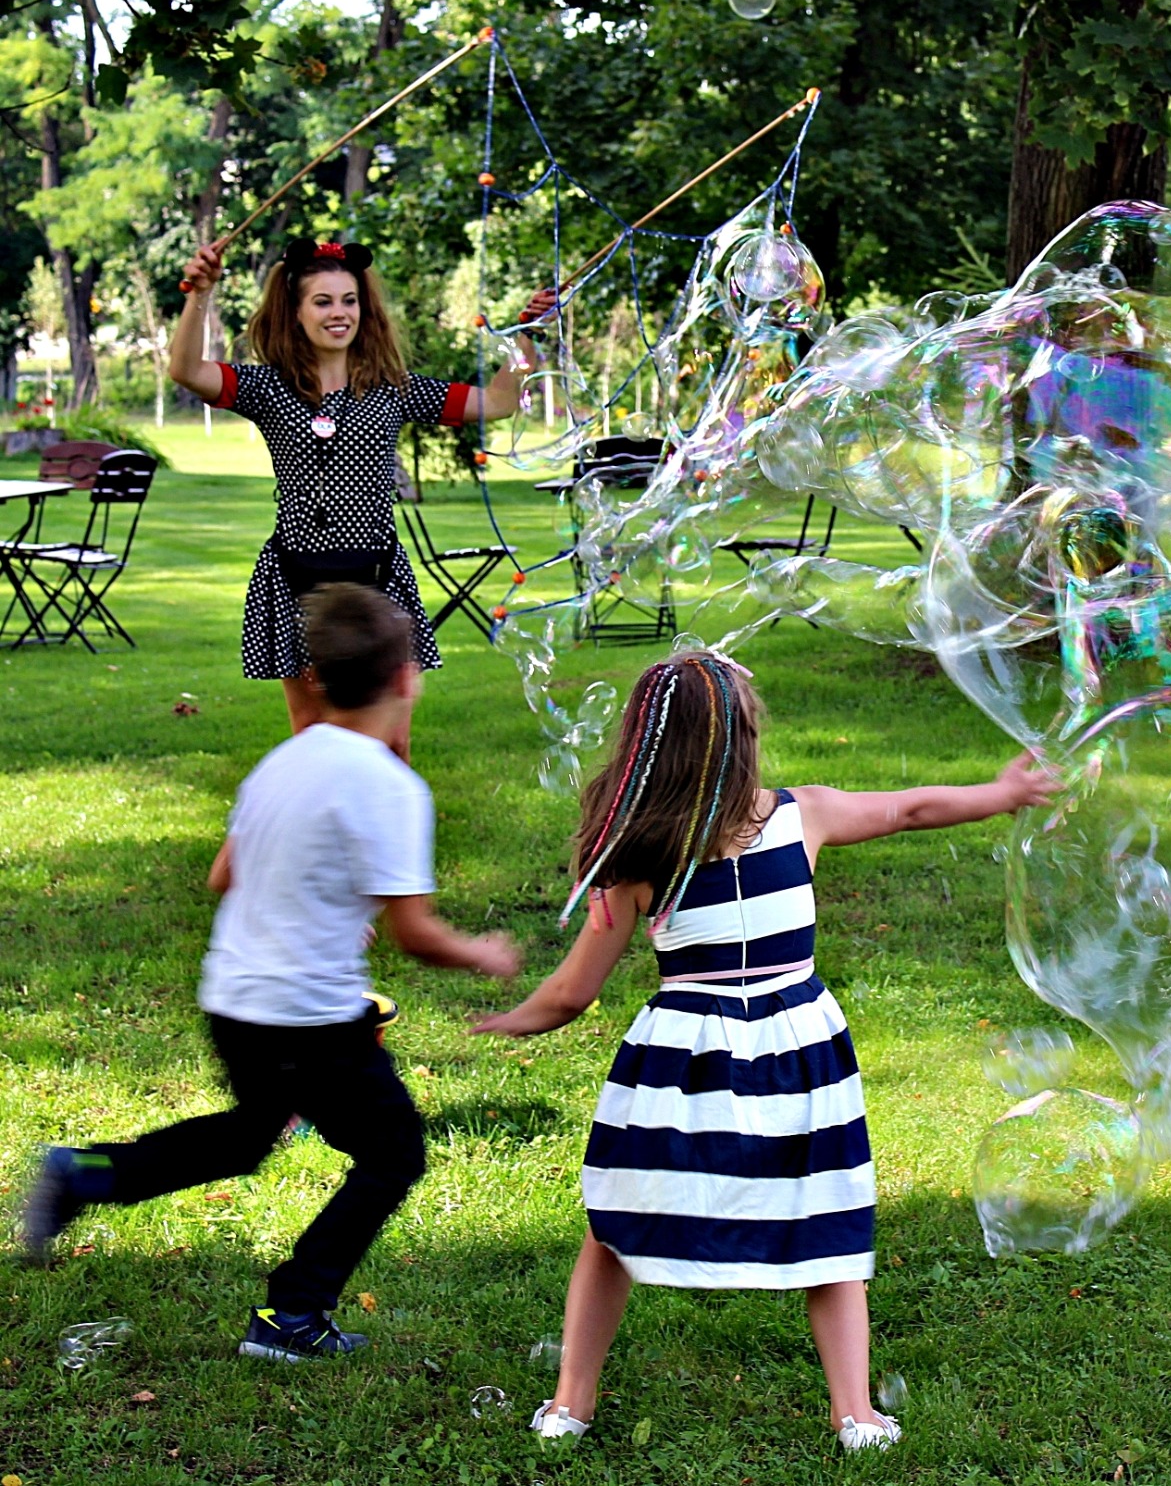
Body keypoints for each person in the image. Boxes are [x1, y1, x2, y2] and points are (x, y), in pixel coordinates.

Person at [469, 650, 1057, 1453]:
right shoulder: (803, 814)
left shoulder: (640, 860)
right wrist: (1003, 794)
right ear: (746, 741)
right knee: (829, 1228)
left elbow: (572, 993)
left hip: (684, 1066)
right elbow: (911, 809)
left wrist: (510, 1021)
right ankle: (856, 1413)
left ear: (649, 747)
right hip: (797, 1051)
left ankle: (570, 1405)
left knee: (614, 1230)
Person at [19, 585, 521, 1359]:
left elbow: (225, 875)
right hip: (308, 1016)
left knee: (246, 1138)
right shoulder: (390, 787)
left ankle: (85, 1174)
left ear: (315, 678)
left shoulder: (282, 762)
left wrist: (312, 887)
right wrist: (482, 952)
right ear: (406, 679)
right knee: (392, 1153)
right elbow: (415, 933)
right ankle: (293, 1318)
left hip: (234, 998)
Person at [169, 236, 552, 760]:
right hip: (299, 583)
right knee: (313, 737)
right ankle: (315, 841)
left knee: (393, 742)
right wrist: (201, 293)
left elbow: (501, 401)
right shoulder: (269, 388)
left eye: (348, 300)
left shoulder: (393, 388)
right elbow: (186, 370)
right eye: (322, 302)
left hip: (377, 585)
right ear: (296, 312)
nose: (339, 313)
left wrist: (524, 336)